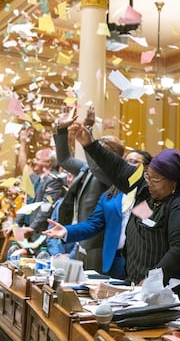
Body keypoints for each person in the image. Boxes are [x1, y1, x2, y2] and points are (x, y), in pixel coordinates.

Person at [68, 121, 180, 313]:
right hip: (142, 293)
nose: (148, 182)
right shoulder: (147, 190)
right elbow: (118, 169)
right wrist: (89, 144)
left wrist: (146, 285)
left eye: (155, 179)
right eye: (148, 176)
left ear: (174, 181)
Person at [44, 150, 152, 279]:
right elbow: (94, 223)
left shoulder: (150, 195)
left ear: (147, 168)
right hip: (114, 259)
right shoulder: (111, 195)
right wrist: (66, 231)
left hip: (141, 260)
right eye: (126, 161)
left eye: (134, 162)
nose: (127, 165)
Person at [54, 109, 124, 272]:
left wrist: (88, 133)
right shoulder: (87, 169)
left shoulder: (113, 176)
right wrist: (61, 130)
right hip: (79, 240)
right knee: (75, 288)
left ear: (113, 155)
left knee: (92, 289)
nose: (97, 146)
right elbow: (64, 160)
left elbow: (96, 165)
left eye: (102, 145)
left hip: (97, 243)